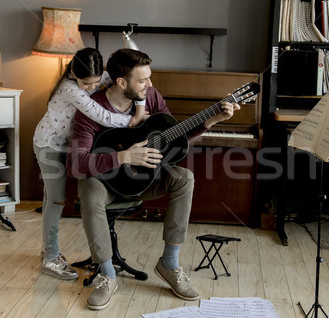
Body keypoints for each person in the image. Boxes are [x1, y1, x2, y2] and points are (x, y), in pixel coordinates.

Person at [67, 48, 240, 310]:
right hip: (106, 184)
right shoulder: (91, 109)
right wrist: (124, 157)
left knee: (184, 178)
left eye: (150, 77)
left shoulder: (152, 96)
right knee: (88, 188)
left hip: (144, 179)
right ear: (121, 82)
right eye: (142, 80)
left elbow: (171, 139)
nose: (150, 84)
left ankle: (169, 264)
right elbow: (74, 164)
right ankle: (107, 274)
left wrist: (211, 120)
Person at [33, 47, 147, 280]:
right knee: (55, 200)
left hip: (66, 146)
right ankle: (51, 258)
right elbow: (102, 116)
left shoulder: (93, 78)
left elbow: (122, 77)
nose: (93, 88)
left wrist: (140, 100)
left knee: (51, 198)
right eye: (87, 84)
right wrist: (134, 120)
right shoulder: (70, 88)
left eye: (97, 82)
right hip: (49, 146)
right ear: (74, 73)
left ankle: (48, 249)